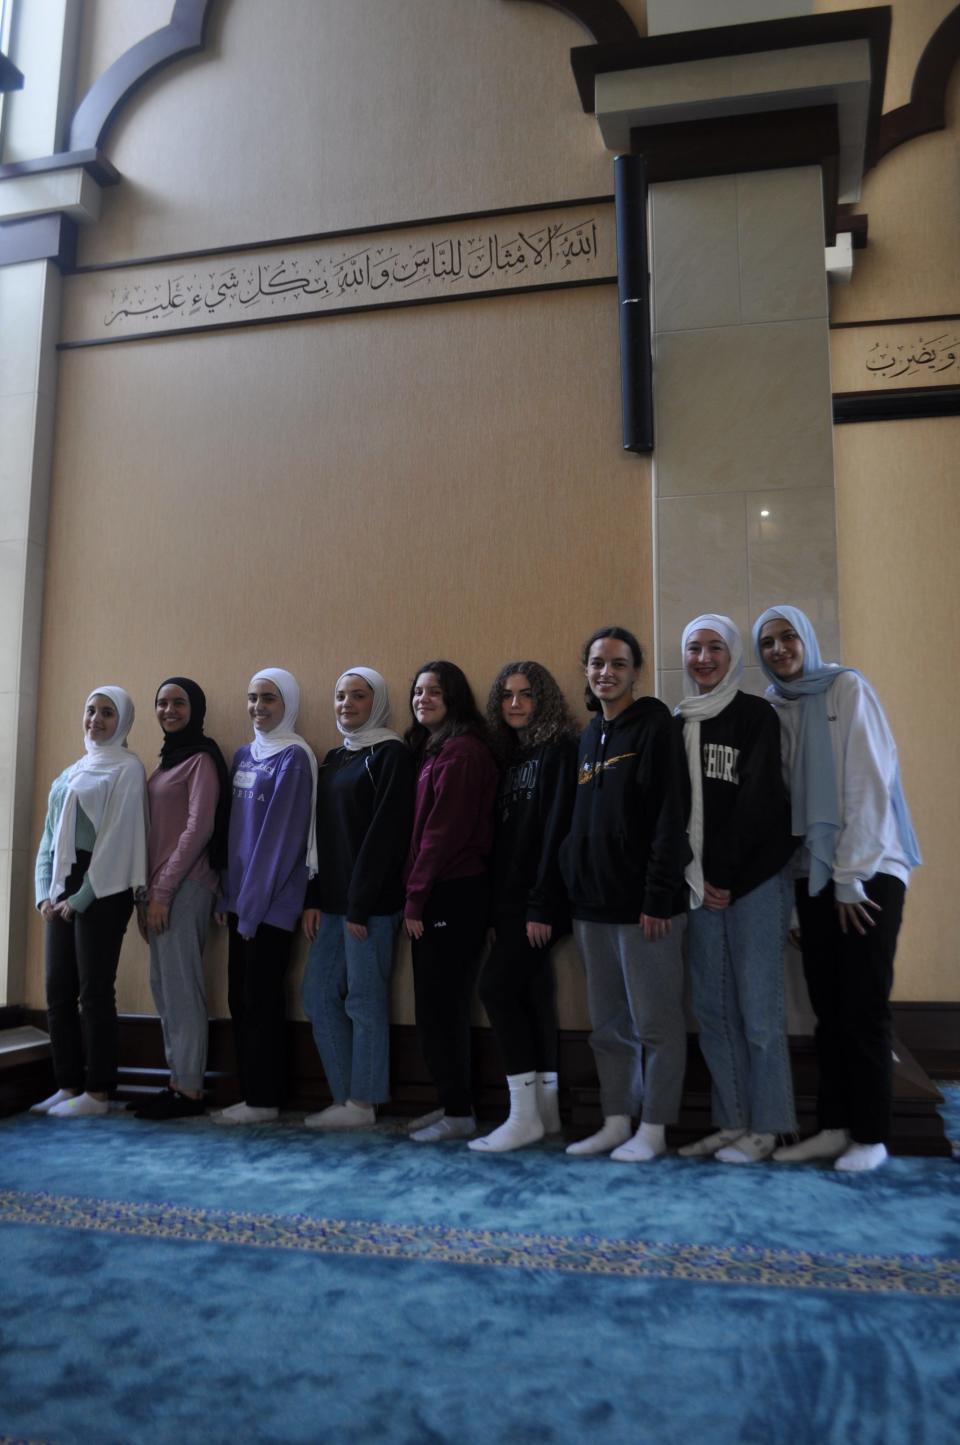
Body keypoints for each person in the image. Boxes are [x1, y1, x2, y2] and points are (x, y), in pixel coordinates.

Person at [754, 607, 921, 1172]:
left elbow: (867, 784)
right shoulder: (775, 706)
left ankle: (871, 1136)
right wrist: (800, 898)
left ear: (807, 638)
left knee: (863, 1005)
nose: (779, 649)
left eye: (787, 636)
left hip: (869, 869)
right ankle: (833, 1126)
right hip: (811, 876)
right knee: (827, 1008)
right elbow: (785, 807)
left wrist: (850, 875)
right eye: (768, 642)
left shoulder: (846, 688)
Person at [560, 627, 690, 1161]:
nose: (605, 672)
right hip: (593, 907)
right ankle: (617, 1120)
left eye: (617, 663)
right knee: (608, 1026)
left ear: (635, 671)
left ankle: (654, 1129)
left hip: (646, 907)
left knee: (656, 1024)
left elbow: (669, 815)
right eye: (596, 663)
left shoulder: (656, 726)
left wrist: (659, 894)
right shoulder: (590, 735)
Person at [674, 615, 797, 1164]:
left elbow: (761, 803)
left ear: (733, 656)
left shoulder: (755, 716)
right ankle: (732, 1120)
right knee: (713, 1008)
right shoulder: (676, 722)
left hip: (753, 883)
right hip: (697, 888)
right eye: (695, 648)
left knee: (759, 1011)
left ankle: (770, 1125)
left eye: (715, 648)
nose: (703, 658)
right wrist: (697, 875)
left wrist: (725, 875)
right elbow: (671, 812)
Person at [469, 661, 578, 1153]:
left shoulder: (558, 752)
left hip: (542, 901)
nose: (515, 704)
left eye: (526, 695)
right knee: (533, 993)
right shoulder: (508, 759)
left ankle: (523, 1115)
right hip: (511, 903)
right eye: (507, 695)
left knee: (494, 987)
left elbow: (558, 832)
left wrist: (542, 905)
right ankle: (546, 1111)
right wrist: (498, 912)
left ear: (545, 699)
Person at [301, 668, 414, 1129]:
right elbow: (319, 836)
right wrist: (313, 895)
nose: (347, 704)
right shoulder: (334, 758)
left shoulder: (391, 755)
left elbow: (386, 835)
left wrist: (361, 903)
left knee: (364, 1001)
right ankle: (345, 1097)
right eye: (340, 695)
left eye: (359, 696)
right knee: (318, 994)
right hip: (331, 903)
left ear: (378, 702)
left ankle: (364, 1104)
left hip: (370, 906)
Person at [31, 687, 147, 1118]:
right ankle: (67, 1084)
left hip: (103, 887)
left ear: (124, 721)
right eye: (91, 711)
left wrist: (79, 898)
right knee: (56, 990)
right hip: (62, 885)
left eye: (107, 713)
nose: (96, 720)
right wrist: (45, 893)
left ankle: (98, 1092)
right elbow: (48, 838)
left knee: (94, 991)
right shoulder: (73, 771)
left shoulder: (128, 768)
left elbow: (117, 840)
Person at [214, 668, 317, 1125]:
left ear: (287, 704)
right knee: (241, 998)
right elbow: (234, 835)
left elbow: (280, 841)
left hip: (271, 905)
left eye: (269, 699)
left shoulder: (294, 757)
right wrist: (227, 898)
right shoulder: (243, 755)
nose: (258, 707)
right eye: (253, 698)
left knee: (262, 998)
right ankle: (252, 1093)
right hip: (239, 904)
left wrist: (252, 909)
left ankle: (266, 1100)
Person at [403, 661, 498, 1142]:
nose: (423, 699)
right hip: (440, 890)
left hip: (452, 892)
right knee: (434, 1005)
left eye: (434, 691)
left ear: (454, 697)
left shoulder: (462, 752)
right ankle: (449, 1105)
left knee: (444, 1006)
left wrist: (416, 899)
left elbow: (442, 836)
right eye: (418, 691)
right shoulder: (436, 749)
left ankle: (459, 1113)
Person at [135, 677, 230, 1121]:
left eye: (179, 703)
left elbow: (198, 829)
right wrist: (147, 894)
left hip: (186, 886)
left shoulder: (200, 760)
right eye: (162, 702)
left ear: (197, 708)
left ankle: (189, 1089)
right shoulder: (166, 762)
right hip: (160, 889)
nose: (169, 710)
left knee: (182, 988)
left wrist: (164, 890)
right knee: (165, 988)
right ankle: (177, 1081)